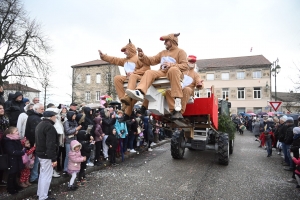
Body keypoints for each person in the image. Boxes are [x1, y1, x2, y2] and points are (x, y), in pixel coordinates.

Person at [125, 33, 189, 119]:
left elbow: (185, 65)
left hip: (175, 73)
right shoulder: (163, 52)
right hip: (163, 72)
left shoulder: (181, 52)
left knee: (173, 70)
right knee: (149, 72)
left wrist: (172, 65)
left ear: (172, 41)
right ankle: (140, 92)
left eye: (166, 41)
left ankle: (177, 101)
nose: (164, 43)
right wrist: (142, 56)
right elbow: (152, 60)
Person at [99, 40, 150, 120]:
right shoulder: (125, 60)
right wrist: (104, 57)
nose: (124, 52)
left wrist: (135, 72)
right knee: (117, 78)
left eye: (125, 50)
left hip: (140, 77)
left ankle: (127, 105)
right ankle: (124, 101)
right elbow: (114, 60)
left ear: (130, 50)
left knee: (133, 79)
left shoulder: (138, 58)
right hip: (129, 78)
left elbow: (147, 68)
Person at [165, 55, 203, 119]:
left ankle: (180, 112)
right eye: (190, 61)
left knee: (186, 89)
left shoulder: (196, 74)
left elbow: (200, 83)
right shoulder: (180, 70)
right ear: (186, 62)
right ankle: (173, 111)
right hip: (178, 88)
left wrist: (200, 85)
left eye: (193, 62)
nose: (192, 63)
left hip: (188, 91)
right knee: (168, 90)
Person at [35, 111, 58, 200]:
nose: (55, 118)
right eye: (55, 117)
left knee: (42, 175)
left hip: (41, 153)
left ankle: (40, 194)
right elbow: (50, 144)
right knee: (46, 176)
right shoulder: (49, 127)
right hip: (46, 154)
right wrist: (53, 158)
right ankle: (43, 197)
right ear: (51, 117)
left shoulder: (40, 124)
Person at [25, 103, 44, 183]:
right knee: (35, 160)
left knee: (36, 160)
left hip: (35, 142)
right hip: (35, 143)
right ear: (36, 109)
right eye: (41, 109)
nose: (43, 111)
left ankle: (34, 176)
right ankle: (34, 177)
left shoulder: (35, 117)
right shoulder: (34, 118)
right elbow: (35, 132)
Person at [3, 127, 24, 195]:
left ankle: (15, 186)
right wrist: (21, 152)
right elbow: (11, 151)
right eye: (16, 131)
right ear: (11, 133)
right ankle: (10, 188)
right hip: (11, 160)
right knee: (11, 174)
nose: (18, 132)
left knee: (15, 173)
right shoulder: (8, 141)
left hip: (16, 159)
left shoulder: (16, 139)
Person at [63, 111, 81, 176]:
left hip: (74, 140)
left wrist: (76, 131)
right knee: (68, 155)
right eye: (73, 115)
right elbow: (67, 131)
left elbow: (75, 130)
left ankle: (73, 168)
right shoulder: (66, 123)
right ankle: (65, 169)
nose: (75, 116)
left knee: (75, 155)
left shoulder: (75, 122)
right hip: (69, 141)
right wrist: (76, 129)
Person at [0, 104, 9, 187]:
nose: (2, 110)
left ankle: (1, 179)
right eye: (0, 108)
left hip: (4, 141)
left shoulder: (5, 119)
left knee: (3, 160)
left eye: (2, 108)